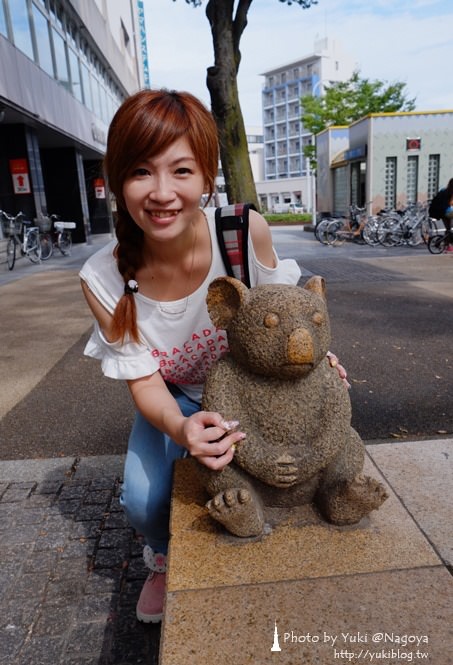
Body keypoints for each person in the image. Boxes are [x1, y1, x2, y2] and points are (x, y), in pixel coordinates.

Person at [79, 89, 347, 624]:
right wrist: (181, 430)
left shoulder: (242, 233)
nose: (161, 192)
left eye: (181, 171)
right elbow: (146, 381)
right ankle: (162, 557)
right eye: (139, 171)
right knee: (143, 500)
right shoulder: (103, 277)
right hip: (174, 394)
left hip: (258, 385)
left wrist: (320, 358)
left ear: (206, 176)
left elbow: (288, 312)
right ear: (115, 180)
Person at [429, 178, 453, 251]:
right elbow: (449, 204)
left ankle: (447, 245)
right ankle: (448, 244)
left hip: (439, 212)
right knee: (449, 228)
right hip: (445, 212)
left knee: (448, 229)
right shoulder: (450, 193)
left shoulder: (444, 190)